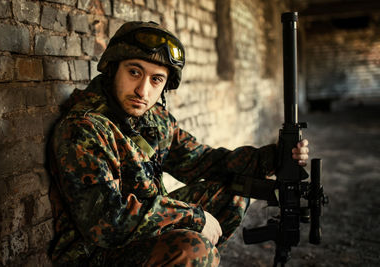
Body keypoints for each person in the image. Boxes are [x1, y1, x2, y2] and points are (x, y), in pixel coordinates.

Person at [47, 21, 309, 266]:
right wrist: (193, 217)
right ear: (113, 69)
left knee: (236, 189)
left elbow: (202, 161)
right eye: (134, 72)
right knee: (194, 250)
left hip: (140, 229)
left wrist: (274, 158)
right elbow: (105, 219)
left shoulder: (153, 119)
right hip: (95, 251)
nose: (143, 91)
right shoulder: (85, 127)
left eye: (156, 79)